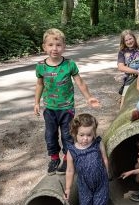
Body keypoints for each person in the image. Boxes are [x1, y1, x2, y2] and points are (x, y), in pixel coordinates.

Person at [34, 28, 100, 174]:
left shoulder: (69, 64)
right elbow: (39, 84)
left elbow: (80, 82)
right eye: (50, 45)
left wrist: (89, 97)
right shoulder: (40, 66)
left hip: (66, 109)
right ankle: (54, 158)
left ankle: (67, 159)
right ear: (44, 47)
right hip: (49, 109)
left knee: (67, 135)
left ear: (64, 46)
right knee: (50, 135)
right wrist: (37, 102)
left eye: (58, 45)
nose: (54, 48)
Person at [64, 113, 109, 205]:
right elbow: (70, 171)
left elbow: (105, 159)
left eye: (89, 135)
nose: (85, 139)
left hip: (101, 182)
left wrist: (108, 174)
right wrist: (68, 188)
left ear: (94, 133)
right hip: (84, 185)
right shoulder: (72, 151)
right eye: (81, 135)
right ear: (74, 133)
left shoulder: (97, 143)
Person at [116, 30, 139, 108]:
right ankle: (121, 112)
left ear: (134, 38)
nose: (129, 41)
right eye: (126, 40)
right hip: (131, 77)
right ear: (123, 42)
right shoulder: (122, 52)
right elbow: (121, 67)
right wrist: (136, 72)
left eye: (130, 39)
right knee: (125, 96)